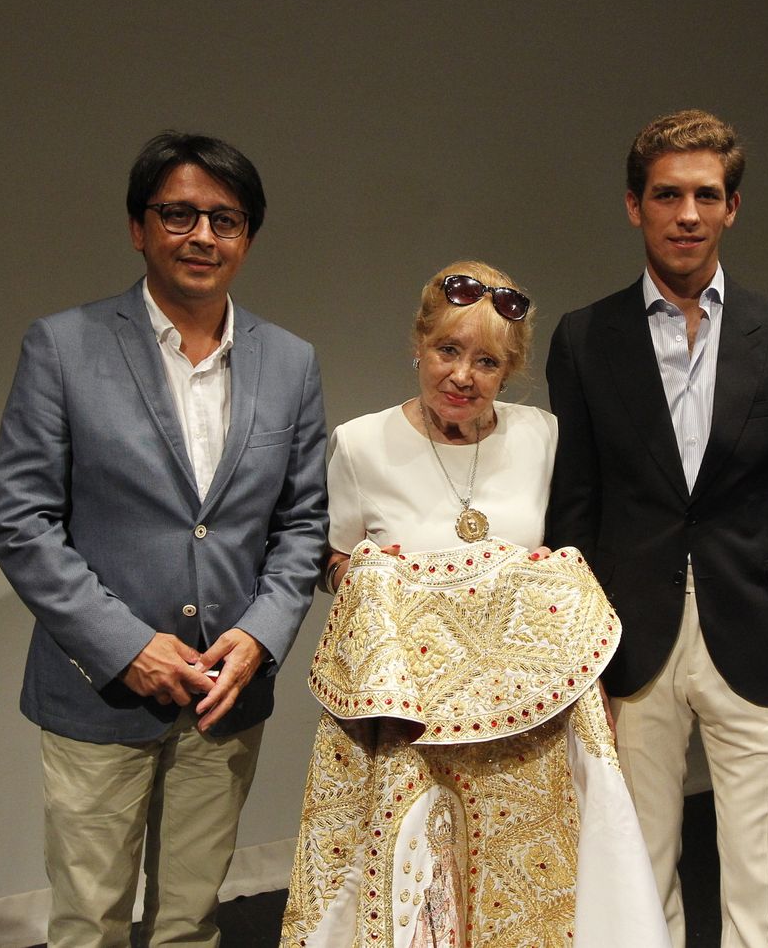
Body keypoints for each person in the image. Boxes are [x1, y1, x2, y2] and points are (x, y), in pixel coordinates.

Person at [0, 131, 327, 948]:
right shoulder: (64, 345)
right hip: (101, 691)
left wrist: (260, 635)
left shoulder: (291, 361)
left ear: (247, 237)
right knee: (90, 923)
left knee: (190, 922)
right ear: (139, 227)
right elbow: (21, 519)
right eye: (178, 213)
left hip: (225, 693)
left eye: (225, 218)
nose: (202, 235)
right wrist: (128, 644)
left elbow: (303, 524)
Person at [280, 262, 669, 948]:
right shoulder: (362, 443)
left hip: (531, 728)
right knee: (424, 889)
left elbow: (569, 549)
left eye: (486, 361)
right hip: (414, 727)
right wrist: (372, 572)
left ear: (510, 369)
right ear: (419, 343)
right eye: (448, 351)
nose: (462, 375)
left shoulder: (543, 437)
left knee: (531, 893)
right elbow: (336, 562)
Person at [545, 110, 768, 948]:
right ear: (633, 206)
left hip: (758, 633)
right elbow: (574, 516)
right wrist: (581, 663)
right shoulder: (585, 336)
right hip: (630, 644)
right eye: (667, 194)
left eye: (705, 195)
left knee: (761, 874)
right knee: (637, 869)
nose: (687, 214)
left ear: (733, 207)